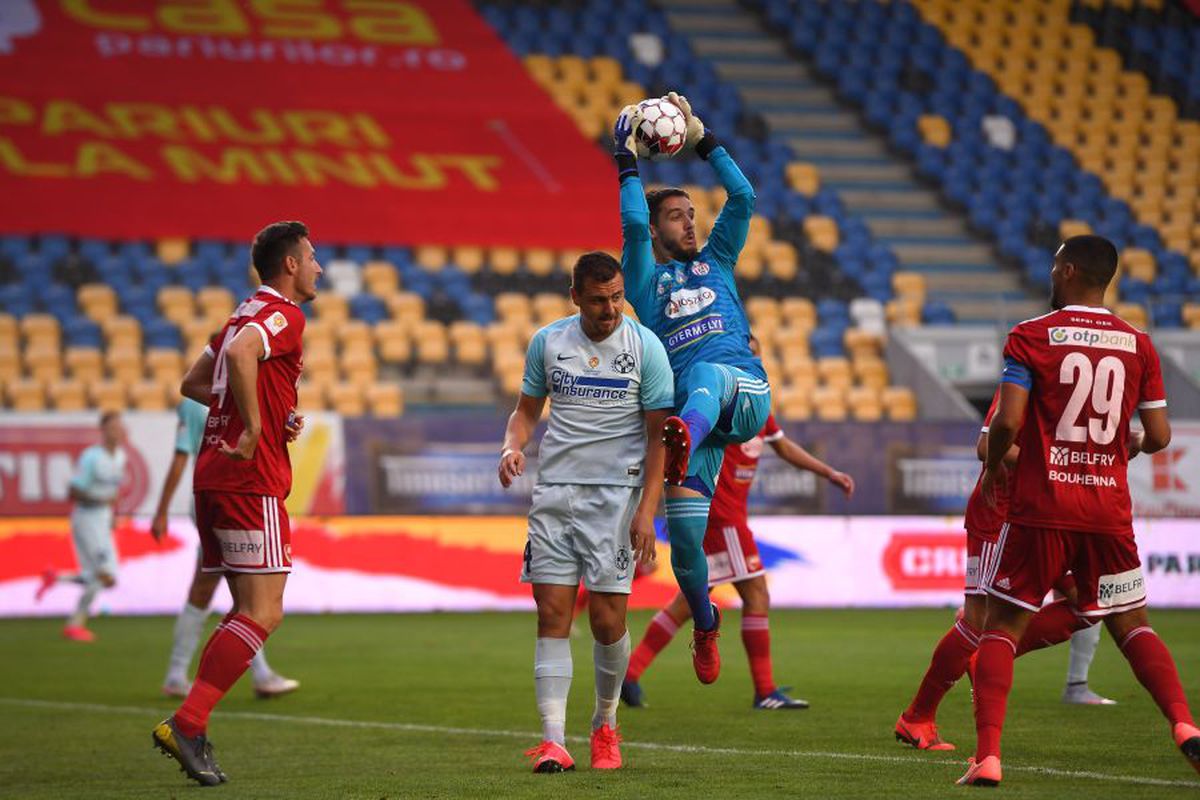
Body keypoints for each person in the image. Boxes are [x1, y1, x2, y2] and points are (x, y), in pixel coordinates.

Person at [959, 235, 1200, 786]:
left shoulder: (1030, 336)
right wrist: (1127, 444)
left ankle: (988, 757)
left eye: (1052, 266)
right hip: (1108, 509)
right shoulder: (1138, 343)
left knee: (1003, 625)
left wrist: (996, 465)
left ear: (1067, 271)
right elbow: (1159, 435)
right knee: (1133, 623)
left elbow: (1008, 423)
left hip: (1042, 505)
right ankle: (1185, 726)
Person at [152, 220, 321, 787]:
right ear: (291, 265)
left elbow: (194, 382)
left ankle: (192, 720)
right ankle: (189, 721)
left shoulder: (237, 314)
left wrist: (270, 416)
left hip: (213, 478)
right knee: (264, 611)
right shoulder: (284, 315)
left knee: (244, 608)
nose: (319, 267)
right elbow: (247, 355)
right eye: (313, 257)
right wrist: (253, 428)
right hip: (251, 481)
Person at [615, 93, 772, 685]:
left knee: (703, 375)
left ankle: (685, 430)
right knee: (685, 545)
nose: (690, 221)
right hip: (695, 427)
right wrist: (625, 161)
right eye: (677, 215)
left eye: (691, 213)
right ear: (655, 231)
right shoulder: (644, 279)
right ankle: (706, 625)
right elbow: (630, 223)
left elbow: (745, 196)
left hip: (742, 391)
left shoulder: (720, 261)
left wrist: (704, 139)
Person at [499, 252, 673, 774]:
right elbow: (526, 412)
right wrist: (513, 446)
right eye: (599, 300)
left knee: (606, 621)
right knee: (551, 615)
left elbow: (659, 437)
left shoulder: (646, 347)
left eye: (617, 297)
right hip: (554, 494)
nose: (611, 308)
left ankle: (604, 724)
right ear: (575, 296)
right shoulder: (548, 342)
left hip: (614, 500)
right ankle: (553, 739)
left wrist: (647, 511)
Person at [621, 336, 854, 710]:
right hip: (720, 515)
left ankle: (629, 673)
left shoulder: (756, 406)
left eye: (755, 356)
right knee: (756, 594)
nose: (751, 363)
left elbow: (783, 446)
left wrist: (829, 473)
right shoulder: (717, 401)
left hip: (728, 516)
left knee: (689, 603)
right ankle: (765, 691)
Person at [895, 386, 1117, 752]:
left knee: (1091, 603)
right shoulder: (1023, 384)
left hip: (1049, 518)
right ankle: (918, 717)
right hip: (1001, 515)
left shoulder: (1079, 391)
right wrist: (1049, 467)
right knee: (975, 622)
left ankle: (989, 655)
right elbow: (987, 447)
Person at [150, 396, 301, 699]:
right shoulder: (201, 401)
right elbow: (181, 456)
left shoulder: (231, 393)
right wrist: (162, 509)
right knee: (251, 596)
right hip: (233, 496)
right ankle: (254, 675)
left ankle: (179, 674)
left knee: (216, 590)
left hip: (218, 495)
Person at [35, 411, 128, 641]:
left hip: (103, 519)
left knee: (109, 577)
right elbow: (73, 491)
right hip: (86, 518)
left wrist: (113, 515)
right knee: (103, 573)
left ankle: (56, 578)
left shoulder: (120, 457)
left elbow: (113, 491)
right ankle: (74, 624)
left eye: (119, 425)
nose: (117, 430)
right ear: (103, 430)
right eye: (113, 426)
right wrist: (99, 501)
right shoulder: (91, 458)